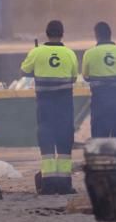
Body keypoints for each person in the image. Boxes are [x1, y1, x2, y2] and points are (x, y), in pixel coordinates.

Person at [20, 20, 79, 195]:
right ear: (62, 34)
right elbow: (73, 77)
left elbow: (24, 72)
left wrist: (38, 68)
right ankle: (65, 184)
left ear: (46, 33)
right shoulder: (70, 54)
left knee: (46, 143)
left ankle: (48, 184)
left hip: (45, 108)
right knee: (64, 145)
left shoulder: (36, 52)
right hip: (65, 107)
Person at [81, 21, 116, 138]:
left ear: (96, 35)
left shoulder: (89, 54)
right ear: (110, 34)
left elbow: (86, 77)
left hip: (99, 101)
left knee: (99, 135)